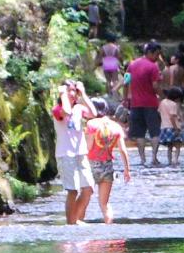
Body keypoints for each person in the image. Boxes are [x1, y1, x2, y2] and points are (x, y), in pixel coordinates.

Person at [52, 79, 97, 225]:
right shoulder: (57, 109)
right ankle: (71, 223)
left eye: (73, 90)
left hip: (80, 153)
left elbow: (93, 113)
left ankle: (75, 219)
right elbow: (66, 111)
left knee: (89, 188)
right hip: (66, 154)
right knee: (73, 190)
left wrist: (83, 93)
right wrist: (63, 94)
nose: (72, 93)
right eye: (69, 90)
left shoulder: (78, 108)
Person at [85, 97, 132, 222]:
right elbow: (123, 150)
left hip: (90, 166)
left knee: (84, 200)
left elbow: (88, 148)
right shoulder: (116, 126)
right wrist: (127, 170)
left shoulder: (91, 124)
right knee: (104, 204)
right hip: (107, 166)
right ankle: (109, 228)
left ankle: (78, 228)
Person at [126, 40, 162, 166]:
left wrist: (126, 98)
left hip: (136, 104)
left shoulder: (132, 64)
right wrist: (162, 97)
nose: (158, 57)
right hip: (151, 103)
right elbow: (155, 85)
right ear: (150, 53)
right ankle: (154, 158)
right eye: (157, 54)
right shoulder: (153, 66)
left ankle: (142, 159)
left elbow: (126, 81)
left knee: (140, 133)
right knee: (154, 132)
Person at [158, 86, 184, 166]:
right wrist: (176, 128)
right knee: (178, 145)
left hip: (164, 127)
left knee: (169, 147)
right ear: (176, 97)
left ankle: (169, 161)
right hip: (173, 127)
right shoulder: (173, 104)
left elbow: (159, 113)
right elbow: (172, 117)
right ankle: (176, 160)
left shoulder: (162, 102)